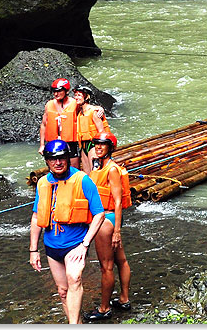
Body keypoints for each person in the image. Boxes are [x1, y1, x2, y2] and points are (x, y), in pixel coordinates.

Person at [30, 140, 106, 324]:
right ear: (47, 161)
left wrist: (85, 244)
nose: (58, 162)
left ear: (68, 158)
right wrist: (33, 250)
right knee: (63, 291)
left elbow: (99, 214)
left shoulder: (82, 180)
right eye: (53, 159)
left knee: (75, 278)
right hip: (52, 246)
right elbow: (35, 217)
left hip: (75, 244)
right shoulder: (42, 184)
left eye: (61, 158)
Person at [83, 132, 133, 321]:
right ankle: (124, 299)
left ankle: (104, 308)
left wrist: (117, 232)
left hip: (106, 221)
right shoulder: (97, 166)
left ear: (110, 148)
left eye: (103, 145)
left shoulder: (111, 169)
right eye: (96, 144)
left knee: (106, 267)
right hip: (105, 219)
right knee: (121, 260)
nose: (98, 147)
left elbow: (118, 202)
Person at [41, 78, 81, 169]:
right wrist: (42, 145)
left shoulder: (75, 103)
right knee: (55, 167)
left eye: (59, 91)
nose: (56, 94)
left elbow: (87, 110)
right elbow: (44, 125)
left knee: (74, 169)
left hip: (71, 142)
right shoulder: (49, 104)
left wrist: (98, 108)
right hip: (53, 142)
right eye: (54, 91)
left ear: (66, 91)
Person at [72, 86, 110, 175]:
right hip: (83, 145)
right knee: (87, 173)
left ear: (86, 97)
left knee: (95, 172)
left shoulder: (94, 112)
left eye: (79, 95)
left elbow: (101, 131)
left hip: (93, 144)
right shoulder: (80, 113)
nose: (76, 97)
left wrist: (100, 148)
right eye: (75, 95)